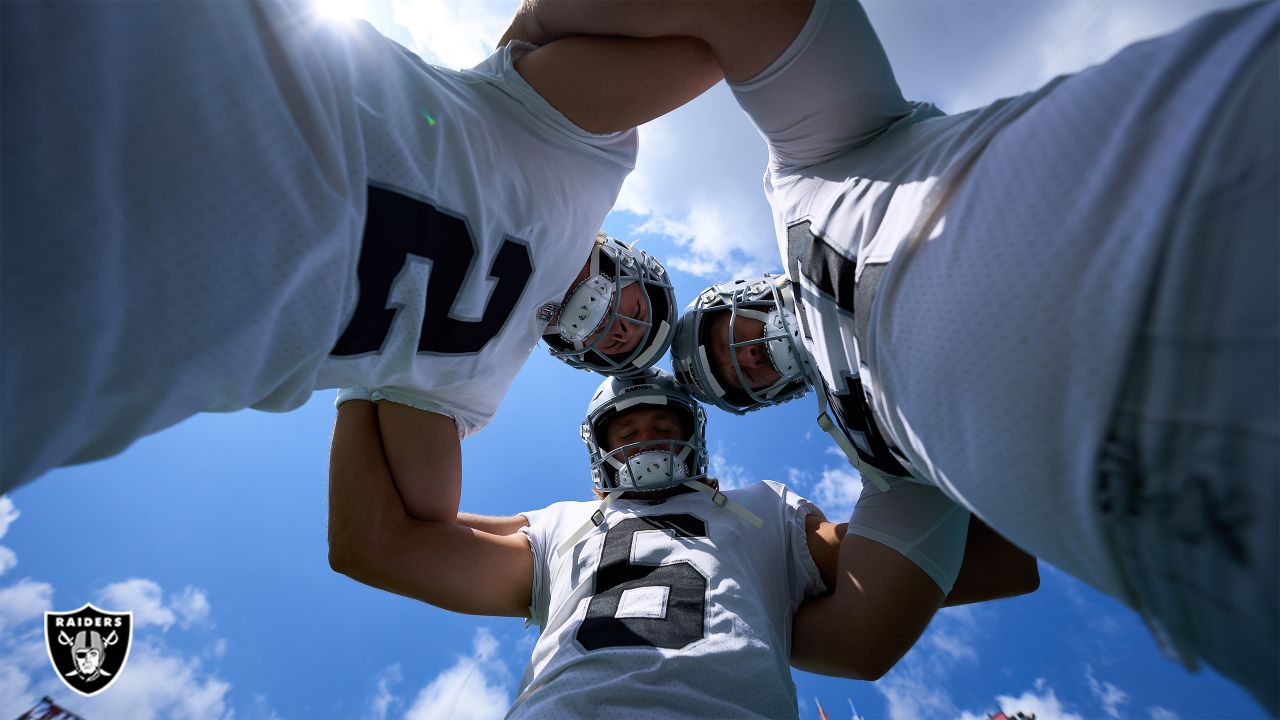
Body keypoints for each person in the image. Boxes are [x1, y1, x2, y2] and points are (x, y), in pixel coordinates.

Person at [501, 0, 1279, 710]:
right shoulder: (891, 470)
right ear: (771, 399)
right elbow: (995, 570)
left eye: (730, 332)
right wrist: (736, 609)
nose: (751, 349)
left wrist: (508, 84)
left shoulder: (819, 161)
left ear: (747, 289)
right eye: (744, 371)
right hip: (1214, 523)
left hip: (1215, 155)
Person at [0, 1, 711, 502]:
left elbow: (423, 511)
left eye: (622, 346)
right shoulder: (586, 161)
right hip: (164, 64)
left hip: (99, 337)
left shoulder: (480, 381)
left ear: (576, 352)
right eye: (638, 317)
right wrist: (524, 34)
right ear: (632, 267)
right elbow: (701, 38)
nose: (621, 329)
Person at [328, 369, 1038, 717]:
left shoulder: (761, 508)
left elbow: (996, 566)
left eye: (657, 423)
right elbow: (372, 543)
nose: (642, 436)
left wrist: (906, 441)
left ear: (692, 437)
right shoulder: (561, 524)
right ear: (600, 454)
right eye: (624, 429)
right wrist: (363, 372)